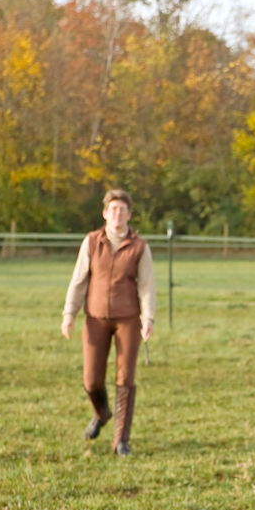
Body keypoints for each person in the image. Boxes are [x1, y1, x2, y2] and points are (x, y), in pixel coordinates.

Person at [61, 190, 156, 456]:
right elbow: (79, 281)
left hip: (128, 319)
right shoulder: (91, 242)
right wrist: (69, 313)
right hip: (95, 319)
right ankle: (102, 414)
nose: (118, 214)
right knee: (92, 380)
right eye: (113, 209)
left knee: (125, 378)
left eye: (123, 209)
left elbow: (147, 286)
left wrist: (147, 319)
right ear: (105, 213)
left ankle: (121, 441)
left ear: (129, 215)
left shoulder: (139, 247)